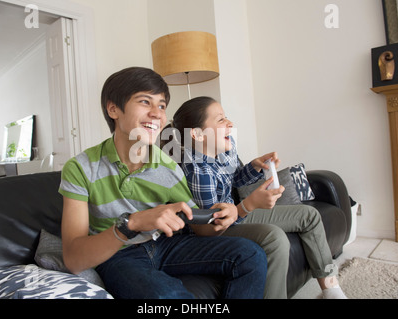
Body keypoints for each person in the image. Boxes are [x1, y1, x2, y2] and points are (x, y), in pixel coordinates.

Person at [59, 67, 268, 299]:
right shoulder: (80, 168)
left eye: (161, 105)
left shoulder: (167, 166)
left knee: (250, 255)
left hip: (167, 246)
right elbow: (73, 259)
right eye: (145, 102)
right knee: (164, 295)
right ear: (113, 109)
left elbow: (200, 227)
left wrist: (224, 215)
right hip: (119, 255)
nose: (157, 114)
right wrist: (133, 223)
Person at [162, 96, 347, 299]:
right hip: (216, 230)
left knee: (309, 215)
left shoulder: (220, 154)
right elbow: (214, 224)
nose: (230, 123)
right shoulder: (198, 171)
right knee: (274, 238)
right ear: (197, 135)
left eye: (226, 118)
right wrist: (249, 205)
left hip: (235, 215)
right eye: (220, 120)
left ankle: (331, 289)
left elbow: (235, 180)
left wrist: (256, 166)